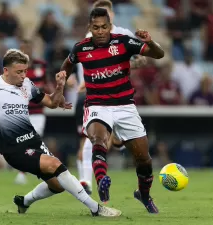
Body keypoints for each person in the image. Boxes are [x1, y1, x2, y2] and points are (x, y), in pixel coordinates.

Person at [0, 49, 121, 217]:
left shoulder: (27, 85)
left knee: (57, 185)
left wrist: (60, 86)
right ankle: (96, 209)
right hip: (12, 148)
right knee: (56, 165)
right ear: (6, 70)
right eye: (19, 72)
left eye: (25, 71)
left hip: (34, 141)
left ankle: (24, 201)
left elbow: (52, 103)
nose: (23, 76)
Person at [61, 8, 164, 213]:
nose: (100, 31)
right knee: (98, 140)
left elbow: (158, 54)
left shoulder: (123, 42)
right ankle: (101, 182)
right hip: (97, 105)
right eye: (96, 27)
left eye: (104, 27)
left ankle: (143, 194)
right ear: (90, 28)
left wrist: (150, 42)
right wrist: (61, 85)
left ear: (110, 27)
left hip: (125, 106)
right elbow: (67, 64)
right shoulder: (81, 48)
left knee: (144, 160)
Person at [75, 0, 147, 195]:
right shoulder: (90, 37)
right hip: (93, 95)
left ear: (112, 15)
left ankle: (115, 141)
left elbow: (141, 57)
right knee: (89, 140)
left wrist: (138, 60)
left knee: (110, 141)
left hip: (119, 95)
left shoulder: (124, 34)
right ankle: (85, 181)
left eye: (106, 14)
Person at [12, 40, 55, 185]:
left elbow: (48, 84)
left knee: (34, 141)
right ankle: (31, 169)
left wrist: (52, 93)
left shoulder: (41, 65)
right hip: (22, 112)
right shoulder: (14, 68)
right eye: (23, 50)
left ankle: (24, 172)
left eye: (27, 49)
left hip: (37, 111)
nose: (25, 52)